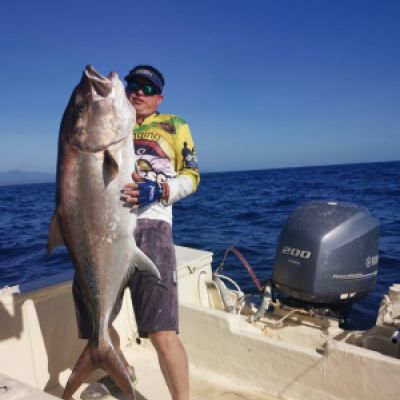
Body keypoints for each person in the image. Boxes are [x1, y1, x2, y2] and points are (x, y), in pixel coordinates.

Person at [121, 65, 200, 400]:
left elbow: (192, 175)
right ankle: (123, 371)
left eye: (148, 88)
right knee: (98, 322)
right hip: (106, 229)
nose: (139, 92)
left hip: (152, 226)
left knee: (162, 331)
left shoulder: (174, 124)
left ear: (160, 98)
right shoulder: (112, 120)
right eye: (133, 85)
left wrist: (161, 190)